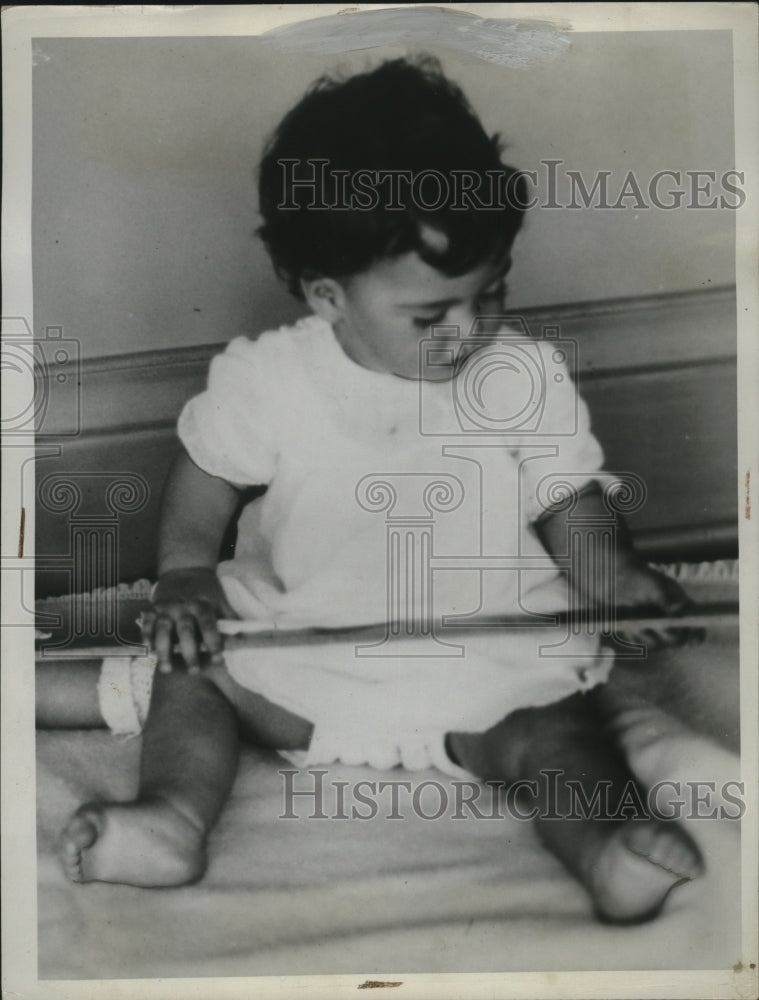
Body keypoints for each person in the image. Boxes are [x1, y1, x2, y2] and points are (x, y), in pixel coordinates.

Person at [36, 55, 703, 923]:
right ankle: (171, 819)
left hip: (481, 664)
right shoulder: (271, 379)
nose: (469, 330)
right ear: (328, 296)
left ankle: (605, 845)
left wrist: (609, 579)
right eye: (432, 316)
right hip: (304, 657)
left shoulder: (523, 375)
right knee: (191, 679)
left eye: (490, 294)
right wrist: (185, 574)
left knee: (560, 737)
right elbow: (206, 475)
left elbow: (565, 498)